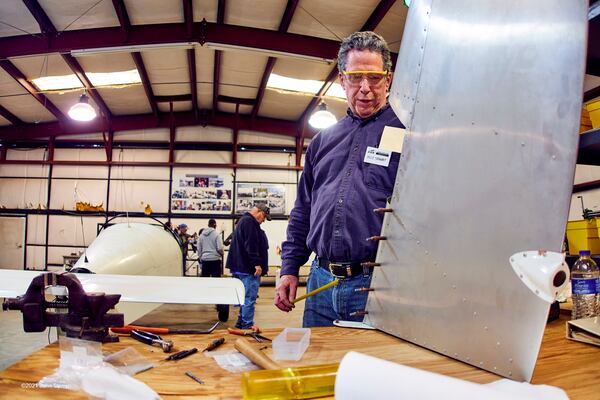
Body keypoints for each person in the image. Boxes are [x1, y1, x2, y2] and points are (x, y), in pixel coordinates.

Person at [275, 31, 405, 327]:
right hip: (320, 284)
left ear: (388, 79)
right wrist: (289, 269)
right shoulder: (323, 142)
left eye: (374, 78)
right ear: (342, 80)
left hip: (375, 286)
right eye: (356, 77)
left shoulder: (409, 135)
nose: (365, 89)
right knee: (318, 370)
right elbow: (303, 212)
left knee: (370, 372)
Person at [226, 205, 271, 329]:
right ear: (259, 212)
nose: (264, 220)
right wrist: (256, 263)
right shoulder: (250, 222)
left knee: (243, 297)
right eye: (264, 217)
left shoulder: (243, 221)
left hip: (240, 267)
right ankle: (247, 325)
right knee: (249, 298)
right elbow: (251, 244)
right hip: (248, 269)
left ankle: (241, 322)